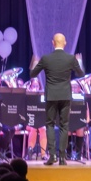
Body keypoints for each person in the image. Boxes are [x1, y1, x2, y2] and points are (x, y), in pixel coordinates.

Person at [29, 33, 84, 165]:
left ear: (53, 43)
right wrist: (80, 62)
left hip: (51, 96)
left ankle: (52, 156)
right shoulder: (70, 58)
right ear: (65, 43)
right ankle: (62, 158)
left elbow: (32, 74)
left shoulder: (46, 58)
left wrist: (34, 63)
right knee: (64, 126)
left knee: (50, 125)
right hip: (65, 96)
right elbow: (81, 74)